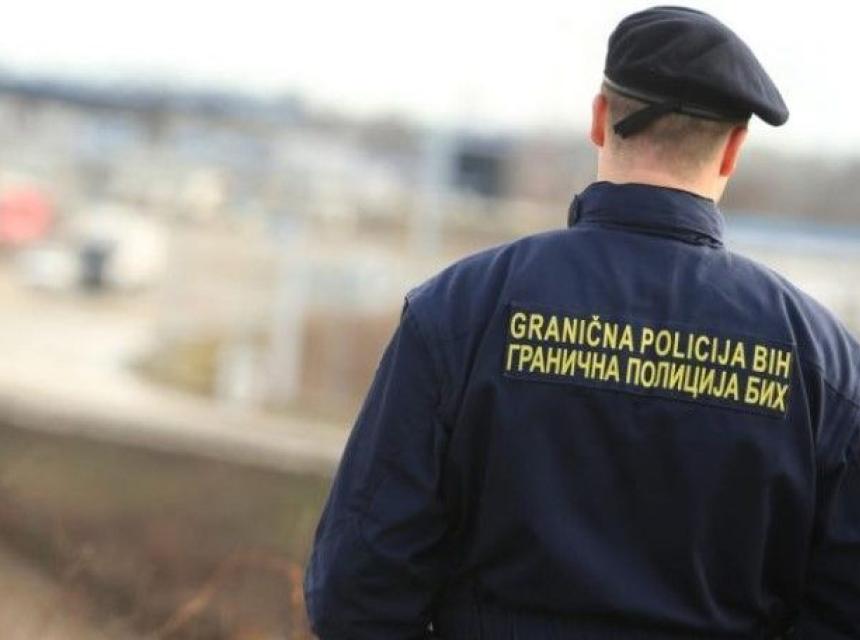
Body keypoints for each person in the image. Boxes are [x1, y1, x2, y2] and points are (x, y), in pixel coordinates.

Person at [304, 6, 860, 639]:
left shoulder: (460, 312)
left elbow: (356, 592)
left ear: (599, 118)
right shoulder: (825, 367)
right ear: (733, 149)